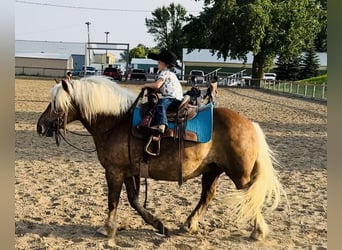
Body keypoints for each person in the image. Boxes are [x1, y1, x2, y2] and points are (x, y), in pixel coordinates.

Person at [143, 50, 183, 134]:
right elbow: (162, 87)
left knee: (160, 106)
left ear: (165, 64)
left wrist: (146, 85)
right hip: (177, 97)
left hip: (172, 98)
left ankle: (162, 124)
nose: (157, 63)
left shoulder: (164, 73)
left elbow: (157, 85)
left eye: (159, 62)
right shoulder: (171, 74)